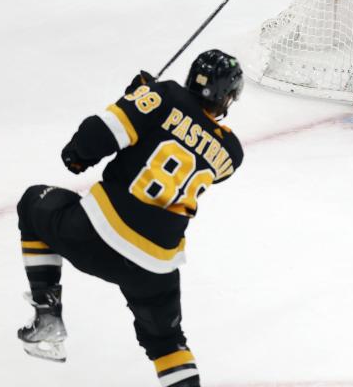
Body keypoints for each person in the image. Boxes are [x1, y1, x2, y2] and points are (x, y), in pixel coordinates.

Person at [16, 50, 244, 387]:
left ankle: (48, 315)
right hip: (155, 265)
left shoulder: (164, 95)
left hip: (96, 234)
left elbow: (93, 139)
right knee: (168, 344)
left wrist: (136, 99)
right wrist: (147, 102)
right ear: (226, 96)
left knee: (35, 203)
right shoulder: (231, 153)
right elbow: (188, 136)